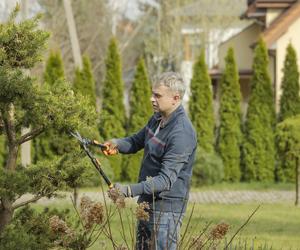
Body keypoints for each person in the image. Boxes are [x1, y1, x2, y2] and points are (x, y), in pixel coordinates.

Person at [103, 72, 197, 250]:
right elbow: (136, 141)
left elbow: (165, 180)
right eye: (152, 93)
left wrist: (128, 190)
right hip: (147, 205)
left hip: (166, 212)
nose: (151, 99)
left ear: (175, 98)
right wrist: (116, 144)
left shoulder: (182, 133)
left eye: (157, 95)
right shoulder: (157, 119)